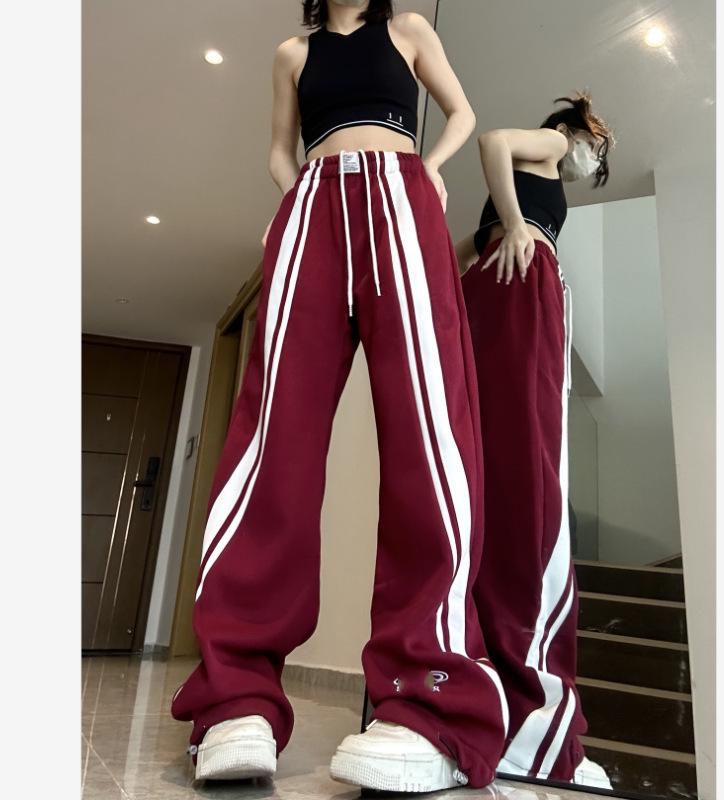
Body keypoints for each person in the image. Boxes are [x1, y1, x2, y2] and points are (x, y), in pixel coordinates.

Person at [170, 0, 508, 791]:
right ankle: (235, 697)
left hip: (402, 196)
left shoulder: (409, 29)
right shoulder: (293, 53)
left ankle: (429, 696)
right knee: (272, 437)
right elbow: (279, 148)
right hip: (312, 204)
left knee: (429, 433)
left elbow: (460, 113)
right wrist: (295, 205)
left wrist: (430, 167)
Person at [455, 93, 616, 790]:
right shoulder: (549, 145)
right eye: (597, 150)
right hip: (521, 280)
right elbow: (491, 138)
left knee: (490, 452)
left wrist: (494, 240)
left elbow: (467, 247)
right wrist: (522, 227)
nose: (591, 162)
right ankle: (531, 708)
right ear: (577, 132)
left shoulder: (524, 189)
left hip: (492, 282)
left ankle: (488, 680)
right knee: (529, 453)